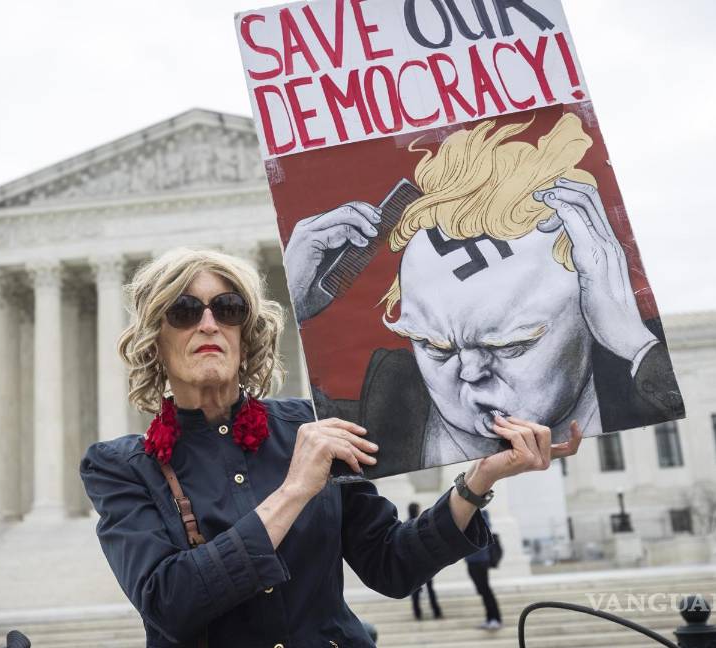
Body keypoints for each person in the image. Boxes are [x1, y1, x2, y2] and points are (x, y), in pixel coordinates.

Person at [80, 248, 585, 646]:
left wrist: (479, 481)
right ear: (155, 339)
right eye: (185, 310)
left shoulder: (313, 425)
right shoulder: (122, 467)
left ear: (245, 333)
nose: (208, 323)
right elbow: (169, 604)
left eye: (227, 309)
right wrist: (294, 491)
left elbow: (392, 564)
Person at [285, 113, 683, 475]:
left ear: (592, 309)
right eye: (434, 346)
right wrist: (294, 310)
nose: (471, 373)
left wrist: (636, 344)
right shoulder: (373, 420)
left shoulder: (646, 388)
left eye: (509, 345)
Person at [466, 510, 502, 630]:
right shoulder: (468, 514)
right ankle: (490, 618)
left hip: (480, 560)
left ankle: (495, 619)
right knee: (483, 591)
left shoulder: (481, 514)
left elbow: (483, 530)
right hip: (472, 560)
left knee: (485, 590)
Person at [406, 502, 442, 621]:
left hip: (413, 564)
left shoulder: (405, 525)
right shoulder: (420, 523)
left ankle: (418, 613)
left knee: (415, 591)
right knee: (430, 589)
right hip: (425, 563)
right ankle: (436, 611)